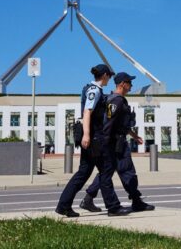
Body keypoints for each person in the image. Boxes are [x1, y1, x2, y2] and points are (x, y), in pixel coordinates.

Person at [55, 64, 131, 217]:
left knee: (83, 173)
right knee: (106, 170)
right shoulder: (94, 90)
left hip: (92, 137)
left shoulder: (92, 89)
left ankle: (64, 205)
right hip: (95, 138)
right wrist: (87, 135)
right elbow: (87, 112)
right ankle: (113, 207)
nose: (109, 78)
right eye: (109, 75)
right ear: (104, 76)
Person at [89, 72, 155, 213]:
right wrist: (105, 143)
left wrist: (134, 135)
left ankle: (88, 198)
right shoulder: (116, 101)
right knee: (127, 171)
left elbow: (121, 124)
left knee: (107, 171)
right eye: (129, 83)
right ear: (122, 84)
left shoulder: (116, 99)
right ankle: (136, 202)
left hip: (116, 141)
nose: (131, 85)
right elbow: (109, 122)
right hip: (115, 143)